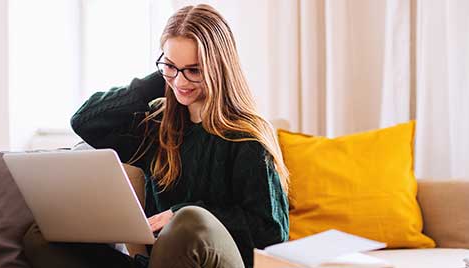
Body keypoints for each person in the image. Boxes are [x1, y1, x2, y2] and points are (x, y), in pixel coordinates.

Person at [22, 4, 290, 268]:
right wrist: (159, 80)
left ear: (218, 69)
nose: (181, 82)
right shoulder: (157, 125)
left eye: (194, 70)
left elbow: (271, 231)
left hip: (215, 261)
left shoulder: (246, 136)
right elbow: (85, 121)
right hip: (159, 262)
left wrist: (179, 213)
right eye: (170, 66)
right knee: (43, 237)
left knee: (188, 223)